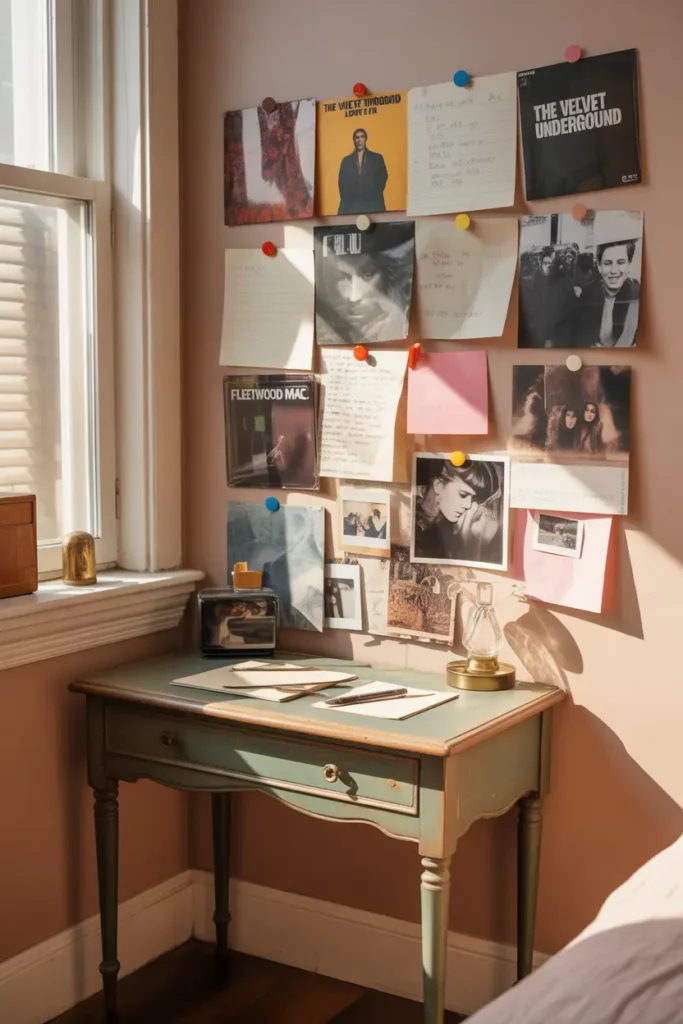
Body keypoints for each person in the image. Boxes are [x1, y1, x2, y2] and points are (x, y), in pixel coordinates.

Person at [414, 460, 503, 566]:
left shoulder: (448, 526)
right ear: (438, 485)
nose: (468, 505)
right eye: (463, 495)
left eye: (473, 499)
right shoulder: (411, 516)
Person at [578, 240, 640, 347]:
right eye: (607, 263)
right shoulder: (588, 295)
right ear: (599, 267)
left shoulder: (637, 298)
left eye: (620, 262)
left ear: (629, 265)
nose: (614, 270)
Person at [519, 247, 579, 348]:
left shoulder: (561, 284)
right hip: (535, 336)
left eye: (551, 264)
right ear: (541, 264)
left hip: (555, 337)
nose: (548, 267)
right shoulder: (531, 284)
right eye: (545, 263)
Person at [337, 129, 388, 215]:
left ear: (365, 139)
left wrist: (374, 194)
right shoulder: (346, 161)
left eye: (362, 137)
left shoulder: (376, 158)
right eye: (357, 137)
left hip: (373, 204)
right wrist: (348, 198)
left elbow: (383, 177)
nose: (359, 140)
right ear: (354, 140)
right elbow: (342, 182)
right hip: (351, 206)